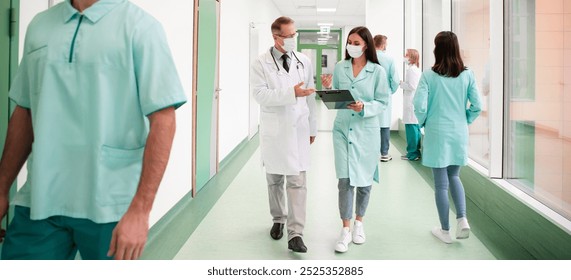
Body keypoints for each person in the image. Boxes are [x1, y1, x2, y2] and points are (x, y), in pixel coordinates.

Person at [0, 0, 187, 260]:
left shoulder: (141, 27)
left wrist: (141, 210)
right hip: (40, 198)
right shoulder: (40, 26)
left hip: (111, 204)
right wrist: (1, 187)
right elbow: (25, 110)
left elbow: (164, 120)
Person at [250, 16, 317, 253]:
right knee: (275, 179)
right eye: (288, 36)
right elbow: (259, 95)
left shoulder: (304, 61)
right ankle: (278, 219)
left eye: (294, 35)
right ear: (275, 37)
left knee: (298, 181)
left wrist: (313, 126)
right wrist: (291, 93)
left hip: (298, 128)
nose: (292, 40)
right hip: (275, 129)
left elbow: (309, 95)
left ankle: (296, 233)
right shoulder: (261, 63)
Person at [413, 31, 482, 244]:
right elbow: (478, 106)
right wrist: (465, 120)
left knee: (441, 184)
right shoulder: (467, 74)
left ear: (437, 49)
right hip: (459, 132)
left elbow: (418, 105)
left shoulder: (428, 75)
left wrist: (424, 122)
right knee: (455, 177)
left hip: (437, 132)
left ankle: (444, 230)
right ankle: (462, 219)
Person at [331, 26, 389, 253]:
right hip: (343, 129)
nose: (351, 46)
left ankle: (359, 224)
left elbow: (383, 101)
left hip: (366, 130)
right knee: (344, 180)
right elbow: (336, 93)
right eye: (349, 42)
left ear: (366, 45)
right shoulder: (339, 67)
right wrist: (330, 93)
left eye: (356, 43)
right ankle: (345, 229)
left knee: (364, 181)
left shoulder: (377, 72)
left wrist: (364, 106)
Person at [373, 35, 399, 162]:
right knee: (384, 124)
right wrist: (390, 91)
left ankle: (370, 152)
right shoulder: (389, 59)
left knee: (370, 123)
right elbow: (395, 80)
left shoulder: (367, 57)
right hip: (385, 95)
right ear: (383, 45)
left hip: (369, 95)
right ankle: (384, 153)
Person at [399, 49, 422, 161]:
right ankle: (414, 152)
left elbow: (412, 86)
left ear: (411, 57)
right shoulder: (415, 69)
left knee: (411, 128)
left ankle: (412, 154)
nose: (404, 56)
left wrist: (401, 84)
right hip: (413, 101)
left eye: (406, 55)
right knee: (414, 127)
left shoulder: (411, 70)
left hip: (411, 102)